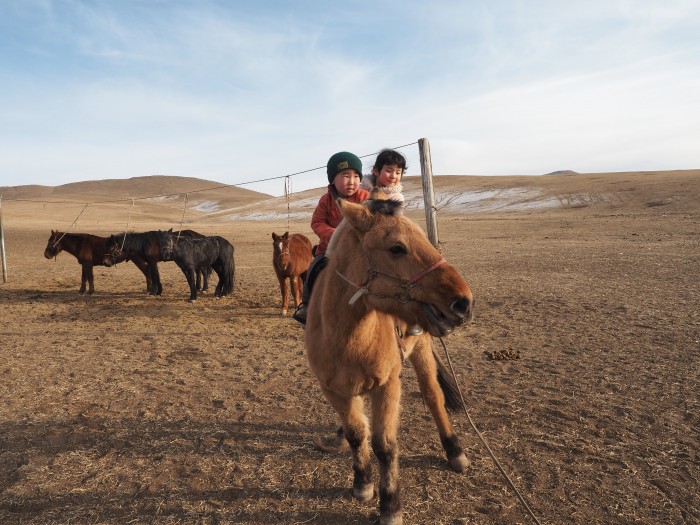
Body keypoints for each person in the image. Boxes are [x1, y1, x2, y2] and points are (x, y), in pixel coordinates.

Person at [293, 151, 370, 325]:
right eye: (345, 176)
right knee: (314, 267)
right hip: (329, 249)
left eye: (356, 176)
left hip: (361, 251)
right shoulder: (326, 200)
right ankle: (307, 305)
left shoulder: (365, 198)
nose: (352, 181)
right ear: (333, 179)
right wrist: (333, 234)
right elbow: (317, 222)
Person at [360, 148, 423, 336]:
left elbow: (390, 225)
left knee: (404, 277)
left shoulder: (396, 198)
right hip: (363, 242)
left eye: (398, 172)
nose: (393, 176)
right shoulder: (362, 190)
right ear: (376, 170)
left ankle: (411, 319)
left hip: (386, 245)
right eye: (389, 170)